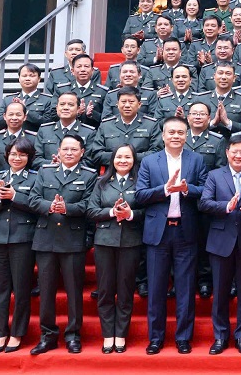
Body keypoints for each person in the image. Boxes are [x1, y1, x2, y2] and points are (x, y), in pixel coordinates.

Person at [136, 116, 207, 355]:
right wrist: (164, 189)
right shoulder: (149, 161)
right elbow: (140, 195)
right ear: (163, 135)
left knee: (185, 288)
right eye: (171, 132)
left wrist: (188, 189)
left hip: (186, 231)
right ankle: (156, 338)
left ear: (186, 135)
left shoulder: (196, 160)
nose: (176, 136)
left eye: (180, 132)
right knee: (156, 288)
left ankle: (183, 337)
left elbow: (206, 191)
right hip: (159, 232)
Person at [28, 133, 98, 355]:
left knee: (74, 292)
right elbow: (33, 199)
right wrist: (50, 206)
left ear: (82, 152)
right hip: (46, 239)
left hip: (73, 240)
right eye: (65, 149)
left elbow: (89, 205)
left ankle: (73, 335)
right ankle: (47, 335)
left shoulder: (89, 175)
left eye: (73, 149)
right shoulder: (45, 171)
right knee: (46, 291)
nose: (69, 153)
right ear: (58, 151)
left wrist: (67, 208)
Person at [198, 133, 241, 355]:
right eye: (234, 152)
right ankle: (220, 336)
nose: (238, 156)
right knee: (221, 293)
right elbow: (204, 203)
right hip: (220, 242)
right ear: (227, 152)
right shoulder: (215, 175)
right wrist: (226, 206)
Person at [0, 138, 38, 354]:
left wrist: (15, 197)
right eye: (13, 154)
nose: (17, 158)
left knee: (22, 288)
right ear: (6, 156)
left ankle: (17, 332)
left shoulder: (36, 177)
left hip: (23, 238)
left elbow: (37, 205)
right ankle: (0, 333)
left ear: (29, 157)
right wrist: (0, 199)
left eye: (22, 154)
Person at [87, 145, 144, 354]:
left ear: (134, 160)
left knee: (126, 290)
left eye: (127, 157)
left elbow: (148, 211)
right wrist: (112, 212)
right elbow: (91, 210)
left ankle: (120, 334)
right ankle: (107, 335)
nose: (122, 160)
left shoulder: (140, 182)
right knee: (105, 290)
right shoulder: (102, 182)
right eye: (119, 156)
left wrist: (130, 214)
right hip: (105, 242)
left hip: (130, 242)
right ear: (112, 160)